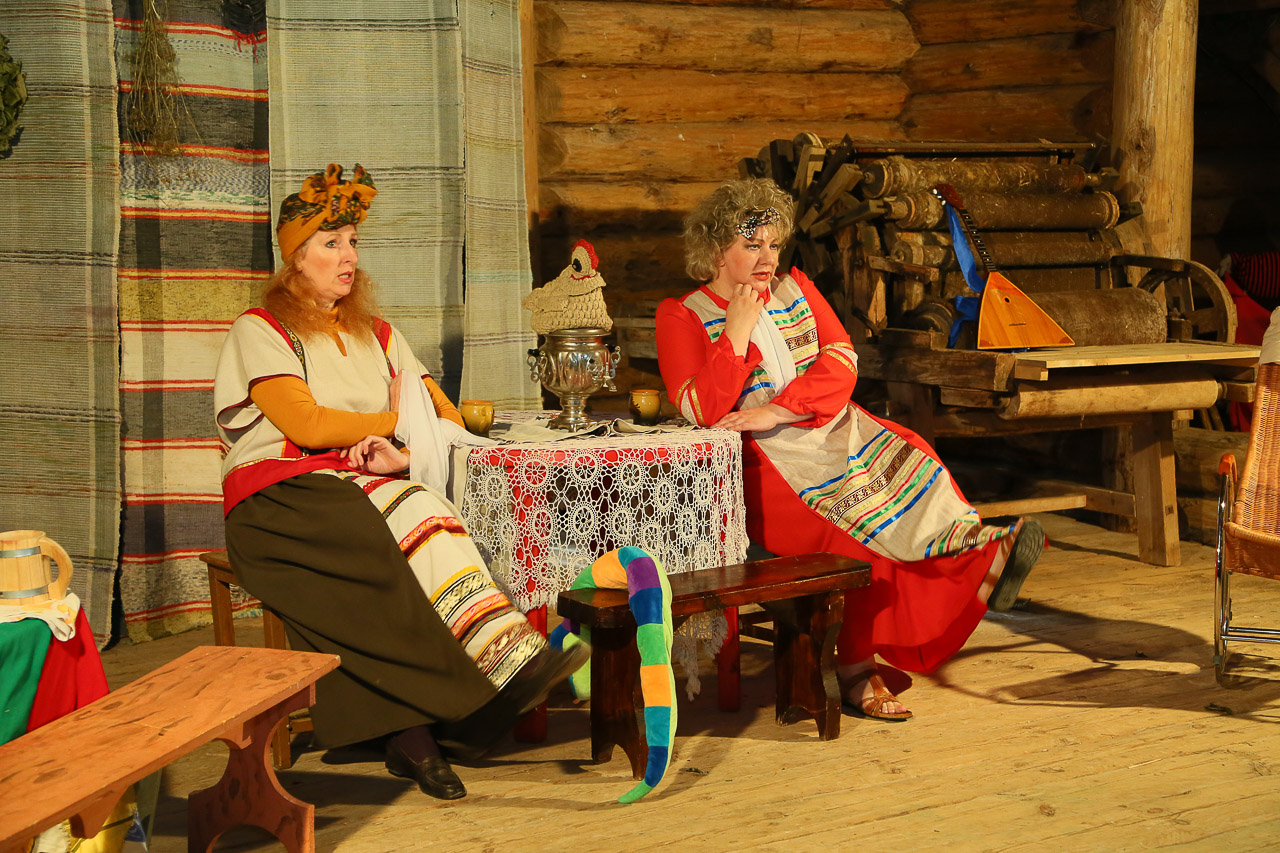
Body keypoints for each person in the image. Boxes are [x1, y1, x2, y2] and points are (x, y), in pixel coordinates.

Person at [213, 163, 588, 800]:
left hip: (356, 484)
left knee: (429, 509)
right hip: (277, 499)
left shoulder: (380, 335)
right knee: (389, 529)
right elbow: (305, 422)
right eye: (331, 244)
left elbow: (444, 415)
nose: (349, 256)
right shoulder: (262, 329)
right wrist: (395, 419)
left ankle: (494, 667)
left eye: (353, 242)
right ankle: (466, 701)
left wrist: (401, 449)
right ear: (295, 258)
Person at [655, 178, 1044, 721]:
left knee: (916, 460)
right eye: (752, 245)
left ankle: (979, 549)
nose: (768, 258)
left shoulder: (795, 287)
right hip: (761, 467)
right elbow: (700, 407)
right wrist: (736, 333)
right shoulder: (682, 314)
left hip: (827, 426)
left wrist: (780, 410)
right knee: (856, 527)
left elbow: (841, 358)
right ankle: (857, 666)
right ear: (717, 250)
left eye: (773, 244)